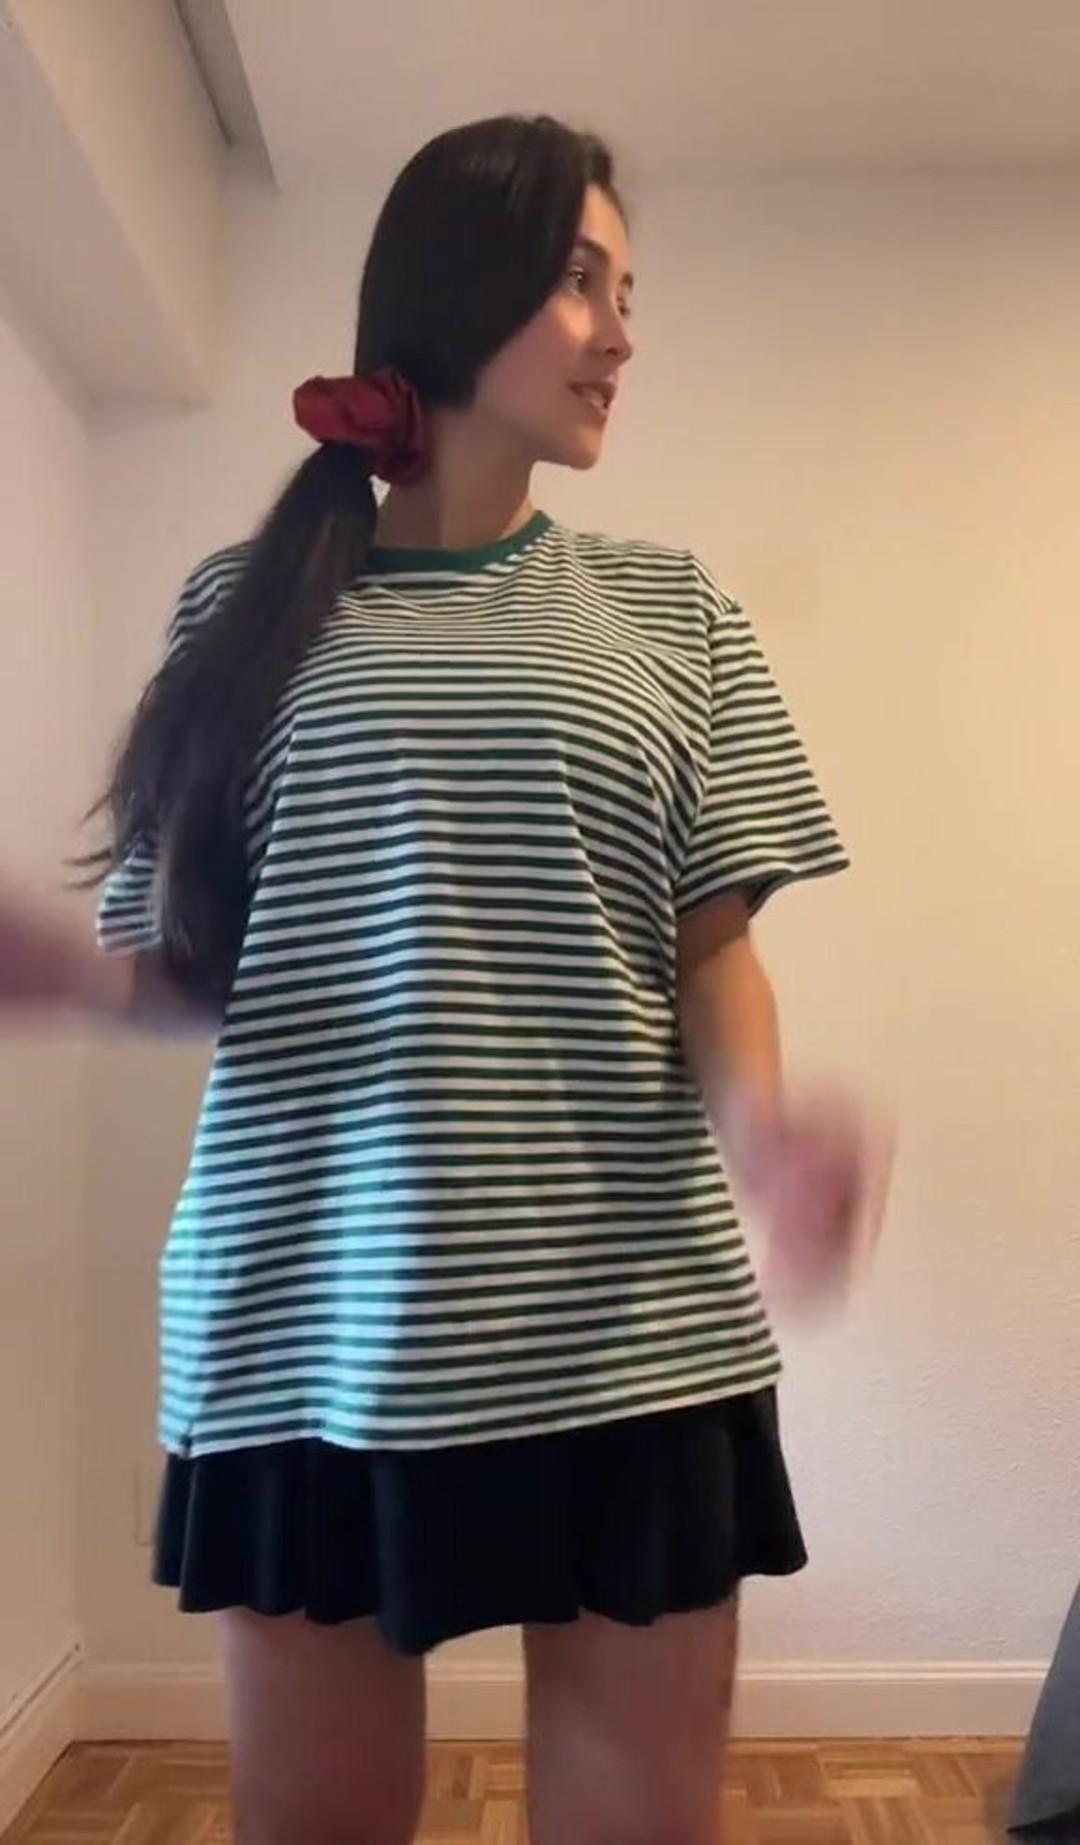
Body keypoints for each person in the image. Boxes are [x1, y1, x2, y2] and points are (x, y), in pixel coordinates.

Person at [0, 114, 887, 1845]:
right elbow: (201, 973)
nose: (622, 333)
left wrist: (769, 1135)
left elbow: (714, 948)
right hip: (305, 1321)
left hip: (630, 1323)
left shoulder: (676, 613)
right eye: (582, 282)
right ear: (458, 288)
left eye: (629, 292)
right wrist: (60, 979)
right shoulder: (240, 610)